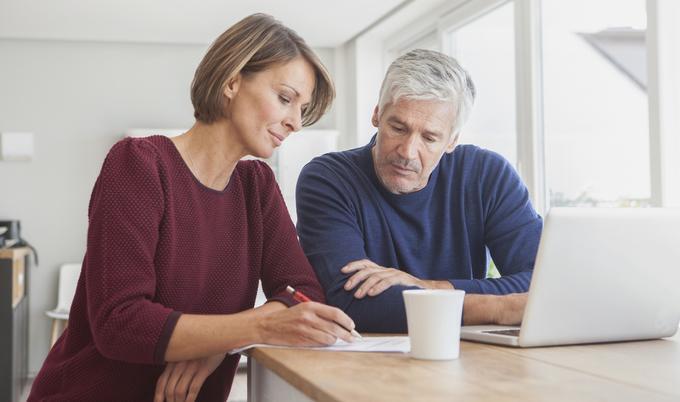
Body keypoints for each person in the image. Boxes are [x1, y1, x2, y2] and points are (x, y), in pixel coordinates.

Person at [28, 14, 357, 402]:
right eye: (286, 99)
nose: (296, 123)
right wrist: (253, 327)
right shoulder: (138, 164)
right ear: (232, 81)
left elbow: (304, 293)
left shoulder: (257, 186)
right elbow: (119, 322)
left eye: (302, 108)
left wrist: (219, 343)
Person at [295, 49, 542, 333]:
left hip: (465, 354)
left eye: (429, 137)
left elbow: (542, 283)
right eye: (398, 128)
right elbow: (352, 302)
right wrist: (498, 308)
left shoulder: (487, 175)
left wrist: (431, 287)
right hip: (364, 364)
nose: (408, 152)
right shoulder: (329, 179)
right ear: (377, 114)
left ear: (451, 141)